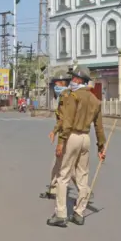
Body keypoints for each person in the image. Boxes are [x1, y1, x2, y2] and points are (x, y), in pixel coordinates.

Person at [47, 65, 106, 228]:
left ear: (80, 80)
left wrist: (61, 142)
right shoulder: (95, 100)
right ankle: (79, 213)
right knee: (82, 176)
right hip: (85, 138)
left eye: (74, 78)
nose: (71, 80)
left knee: (63, 175)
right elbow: (99, 127)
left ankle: (61, 214)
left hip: (72, 136)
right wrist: (101, 147)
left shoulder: (73, 96)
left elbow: (67, 122)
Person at [40, 71, 73, 200]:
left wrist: (61, 141)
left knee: (71, 169)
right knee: (57, 165)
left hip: (68, 136)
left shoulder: (68, 97)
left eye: (56, 84)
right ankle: (53, 189)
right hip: (65, 134)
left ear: (62, 83)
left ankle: (84, 192)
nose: (55, 86)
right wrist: (54, 131)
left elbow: (65, 121)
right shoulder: (63, 97)